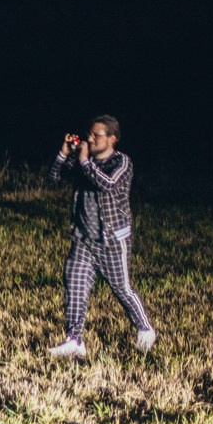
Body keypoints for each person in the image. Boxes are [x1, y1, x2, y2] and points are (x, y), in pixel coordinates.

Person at [47, 115, 156, 359]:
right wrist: (64, 154)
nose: (91, 138)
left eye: (97, 135)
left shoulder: (122, 163)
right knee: (75, 286)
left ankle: (145, 329)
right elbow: (54, 178)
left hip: (112, 240)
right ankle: (74, 341)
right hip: (83, 238)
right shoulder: (83, 160)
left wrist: (84, 160)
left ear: (112, 139)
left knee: (121, 288)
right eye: (90, 134)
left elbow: (106, 183)